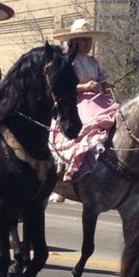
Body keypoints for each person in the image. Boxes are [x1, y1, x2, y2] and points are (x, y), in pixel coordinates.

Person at [50, 18, 119, 183]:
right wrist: (85, 86)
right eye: (83, 39)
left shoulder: (93, 61)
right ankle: (71, 166)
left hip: (98, 99)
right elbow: (60, 87)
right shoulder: (66, 60)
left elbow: (102, 82)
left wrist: (105, 86)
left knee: (120, 115)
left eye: (89, 39)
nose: (88, 43)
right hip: (74, 101)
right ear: (73, 40)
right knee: (89, 122)